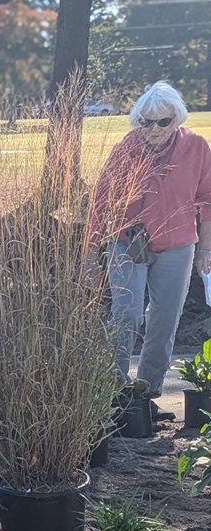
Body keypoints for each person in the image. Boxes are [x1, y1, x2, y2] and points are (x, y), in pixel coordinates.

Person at [91, 81, 211, 421]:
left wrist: (205, 248)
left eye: (163, 121)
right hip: (128, 241)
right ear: (137, 122)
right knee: (126, 314)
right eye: (146, 122)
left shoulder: (197, 147)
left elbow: (208, 200)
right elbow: (101, 200)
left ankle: (146, 395)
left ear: (177, 119)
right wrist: (90, 249)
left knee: (164, 320)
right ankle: (114, 392)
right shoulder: (126, 148)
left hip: (178, 244)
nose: (154, 129)